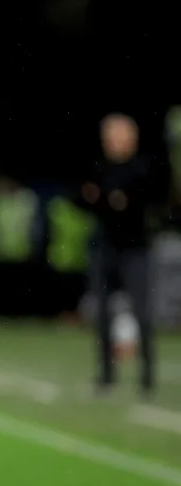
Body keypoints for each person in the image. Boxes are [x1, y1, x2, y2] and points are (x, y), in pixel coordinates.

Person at [80, 113, 157, 393]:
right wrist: (111, 200)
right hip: (104, 248)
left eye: (119, 134)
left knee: (142, 312)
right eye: (109, 136)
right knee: (101, 313)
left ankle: (147, 376)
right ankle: (106, 374)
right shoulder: (98, 167)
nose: (113, 141)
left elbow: (144, 201)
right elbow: (86, 198)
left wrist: (113, 199)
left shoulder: (143, 168)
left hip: (135, 248)